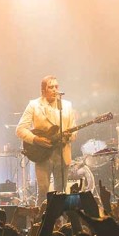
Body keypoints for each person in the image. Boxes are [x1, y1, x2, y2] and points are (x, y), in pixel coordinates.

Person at [16, 75, 77, 204]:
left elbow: (74, 131)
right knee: (43, 190)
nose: (54, 89)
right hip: (42, 154)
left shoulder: (66, 105)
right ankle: (40, 216)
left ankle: (60, 216)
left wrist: (68, 137)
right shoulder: (34, 105)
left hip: (62, 153)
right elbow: (20, 129)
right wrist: (35, 139)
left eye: (56, 86)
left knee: (61, 192)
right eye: (51, 87)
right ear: (43, 91)